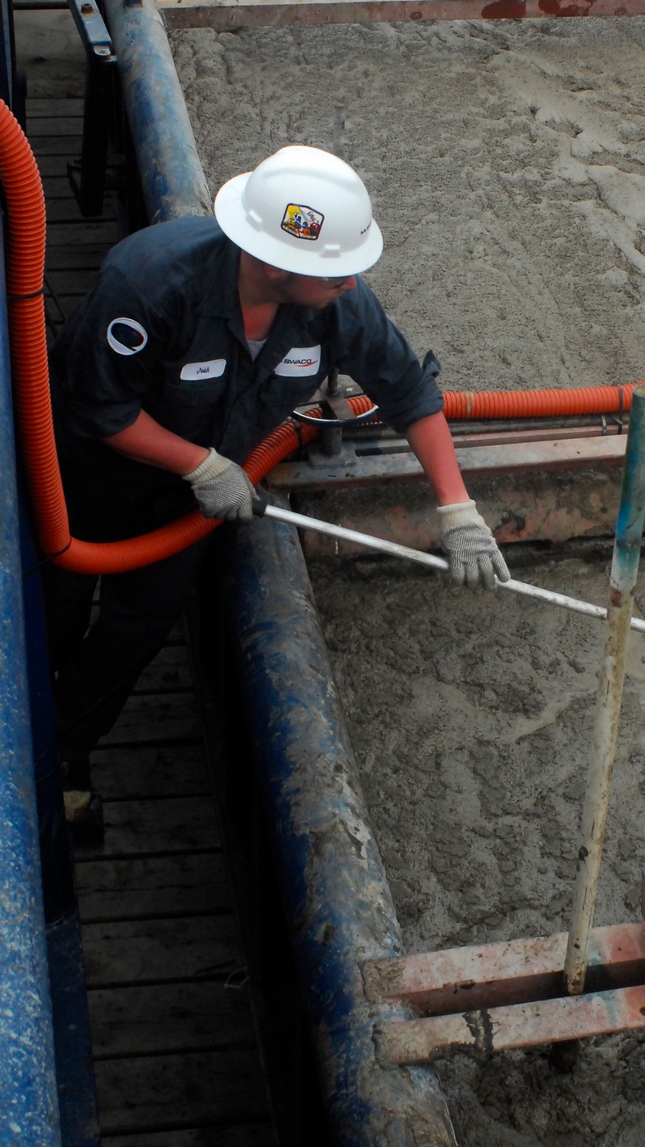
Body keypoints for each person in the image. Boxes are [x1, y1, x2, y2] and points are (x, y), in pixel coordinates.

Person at [44, 144, 509, 826]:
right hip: (78, 482)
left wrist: (457, 507)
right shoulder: (148, 285)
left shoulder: (335, 305)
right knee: (46, 615)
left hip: (183, 507)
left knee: (133, 632)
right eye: (334, 274)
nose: (351, 286)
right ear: (272, 264)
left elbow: (408, 392)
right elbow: (101, 410)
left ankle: (66, 752)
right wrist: (201, 464)